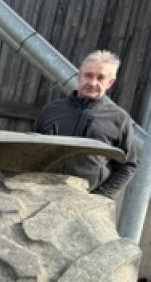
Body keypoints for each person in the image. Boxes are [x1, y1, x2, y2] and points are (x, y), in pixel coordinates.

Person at [34, 50, 138, 198]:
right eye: (88, 75)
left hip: (87, 201)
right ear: (79, 76)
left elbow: (127, 165)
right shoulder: (51, 110)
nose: (92, 83)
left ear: (110, 82)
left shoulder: (120, 119)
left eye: (100, 78)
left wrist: (100, 197)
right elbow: (32, 152)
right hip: (43, 195)